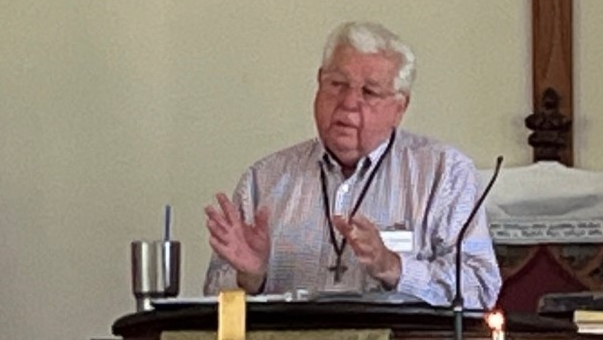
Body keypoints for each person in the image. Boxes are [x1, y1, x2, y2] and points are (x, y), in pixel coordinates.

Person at [203, 21, 500, 309]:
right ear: (319, 83)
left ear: (399, 108)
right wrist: (251, 277)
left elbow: (480, 287)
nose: (348, 102)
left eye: (369, 92)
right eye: (337, 84)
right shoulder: (263, 180)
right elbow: (212, 298)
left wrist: (394, 267)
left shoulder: (444, 174)